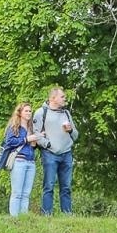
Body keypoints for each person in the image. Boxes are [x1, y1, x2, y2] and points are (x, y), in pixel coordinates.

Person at [33, 87, 79, 216]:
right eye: (62, 97)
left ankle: (67, 214)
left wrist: (70, 130)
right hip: (49, 154)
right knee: (49, 185)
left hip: (66, 154)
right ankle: (47, 214)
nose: (65, 99)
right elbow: (36, 134)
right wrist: (47, 144)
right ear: (53, 98)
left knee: (66, 187)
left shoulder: (66, 113)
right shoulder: (41, 112)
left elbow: (76, 135)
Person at [2, 101, 39, 217]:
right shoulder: (14, 126)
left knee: (26, 194)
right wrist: (26, 139)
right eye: (26, 111)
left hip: (31, 161)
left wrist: (35, 142)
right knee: (17, 192)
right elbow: (9, 142)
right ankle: (14, 218)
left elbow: (32, 145)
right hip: (19, 160)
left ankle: (23, 218)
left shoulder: (31, 127)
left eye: (30, 111)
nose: (29, 113)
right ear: (20, 113)